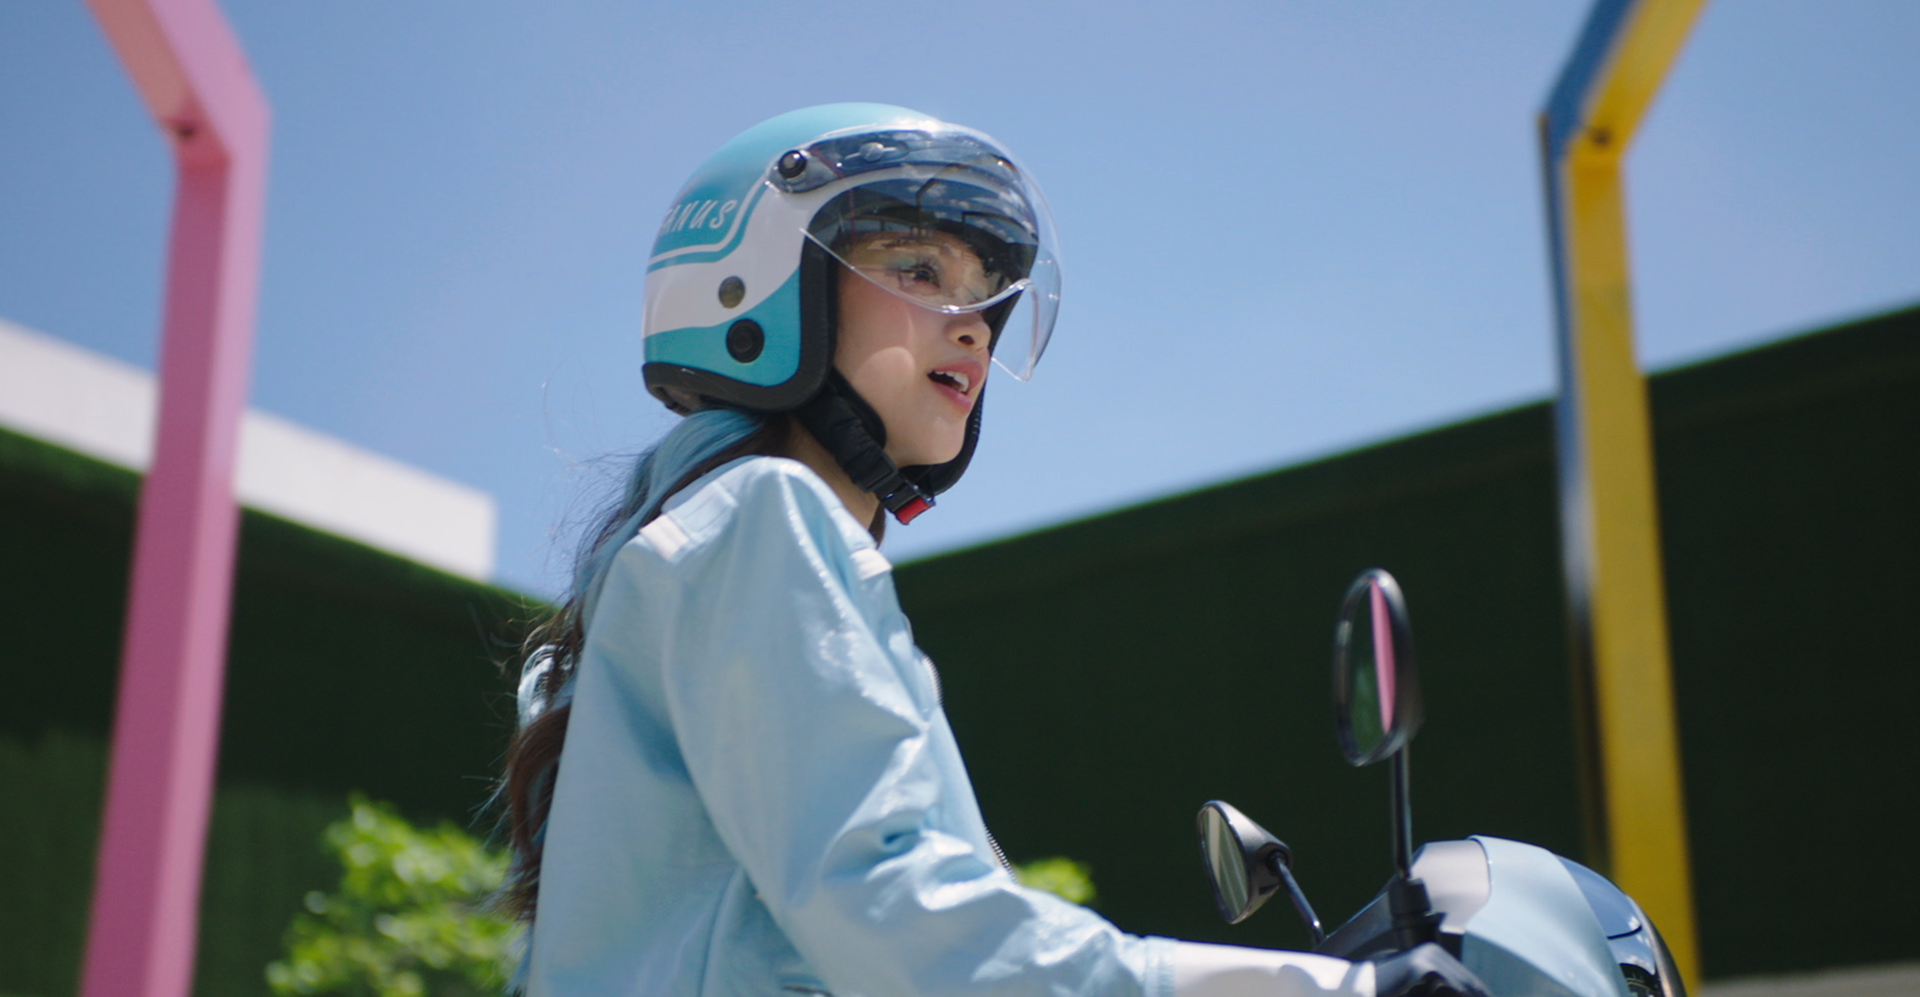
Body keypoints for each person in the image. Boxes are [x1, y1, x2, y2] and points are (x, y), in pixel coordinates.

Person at [499, 104, 1481, 997]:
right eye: (919, 271)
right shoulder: (760, 516)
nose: (972, 328)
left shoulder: (681, 548)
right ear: (758, 281)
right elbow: (895, 910)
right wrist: (1325, 990)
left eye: (985, 299)